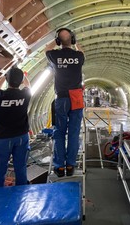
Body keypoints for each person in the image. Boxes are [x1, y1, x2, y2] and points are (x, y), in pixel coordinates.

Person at [46, 28, 85, 177]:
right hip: (76, 97)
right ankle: (70, 165)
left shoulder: (54, 55)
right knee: (74, 133)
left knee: (60, 133)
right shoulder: (79, 56)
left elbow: (46, 49)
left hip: (62, 97)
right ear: (73, 40)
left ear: (58, 41)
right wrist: (76, 44)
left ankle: (59, 167)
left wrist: (55, 40)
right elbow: (82, 52)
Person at [0, 67, 31, 187]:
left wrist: (4, 74)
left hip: (3, 138)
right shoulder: (26, 94)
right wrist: (24, 77)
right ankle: (22, 193)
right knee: (21, 167)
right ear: (21, 80)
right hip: (22, 137)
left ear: (7, 80)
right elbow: (28, 85)